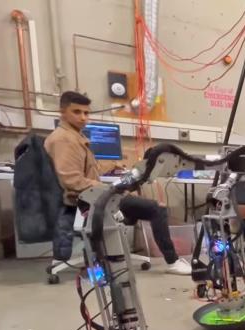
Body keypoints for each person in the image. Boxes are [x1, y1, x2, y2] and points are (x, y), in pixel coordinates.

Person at [45, 91, 192, 275]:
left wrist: (116, 164)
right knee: (156, 208)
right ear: (62, 112)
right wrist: (113, 190)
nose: (83, 118)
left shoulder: (74, 136)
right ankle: (173, 262)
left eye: (86, 113)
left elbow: (92, 169)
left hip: (89, 195)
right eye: (76, 112)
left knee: (133, 198)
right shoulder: (64, 140)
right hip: (85, 199)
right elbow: (72, 180)